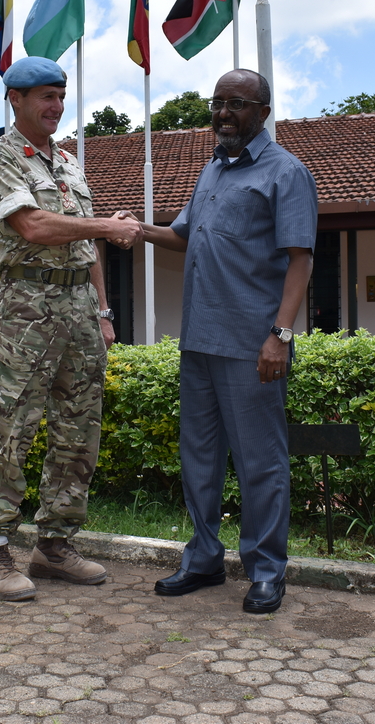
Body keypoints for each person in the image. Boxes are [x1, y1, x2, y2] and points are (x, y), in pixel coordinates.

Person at [122, 68, 317, 613]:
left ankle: (266, 571)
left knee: (261, 463)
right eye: (217, 103)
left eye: (236, 103)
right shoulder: (211, 170)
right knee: (199, 458)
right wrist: (137, 229)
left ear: (263, 111)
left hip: (252, 346)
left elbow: (301, 260)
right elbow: (183, 236)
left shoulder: (286, 173)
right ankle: (204, 558)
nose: (223, 113)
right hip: (199, 342)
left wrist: (280, 336)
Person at [0, 56, 144, 602]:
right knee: (13, 426)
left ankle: (55, 545)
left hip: (79, 307)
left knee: (78, 428)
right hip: (28, 306)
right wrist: (107, 225)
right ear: (15, 100)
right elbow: (34, 225)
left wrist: (103, 311)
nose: (56, 106)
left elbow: (84, 244)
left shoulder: (67, 163)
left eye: (61, 96)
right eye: (46, 96)